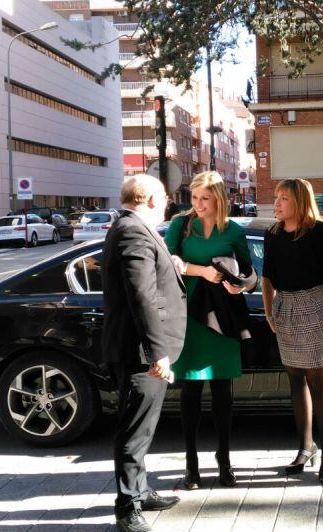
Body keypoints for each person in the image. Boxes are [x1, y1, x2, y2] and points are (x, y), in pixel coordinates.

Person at [102, 174, 187, 532]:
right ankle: (128, 507)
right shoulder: (133, 231)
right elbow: (142, 297)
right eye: (164, 196)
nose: (168, 201)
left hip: (142, 349)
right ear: (151, 198)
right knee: (135, 429)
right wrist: (158, 353)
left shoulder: (130, 228)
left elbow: (147, 279)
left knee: (144, 426)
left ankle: (140, 490)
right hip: (141, 352)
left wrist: (172, 265)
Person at [164, 171, 256, 490]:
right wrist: (201, 271)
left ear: (218, 198)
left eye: (205, 198)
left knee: (222, 394)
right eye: (194, 198)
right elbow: (168, 261)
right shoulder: (180, 224)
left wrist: (242, 286)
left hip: (222, 316)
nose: (198, 204)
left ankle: (225, 461)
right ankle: (191, 466)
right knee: (190, 392)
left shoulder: (232, 229)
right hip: (188, 315)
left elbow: (249, 272)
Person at [261, 178, 323, 484]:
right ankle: (305, 447)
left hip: (317, 306)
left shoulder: (321, 232)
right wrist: (269, 311)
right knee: (295, 379)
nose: (277, 203)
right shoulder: (271, 234)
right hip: (286, 308)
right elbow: (267, 278)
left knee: (317, 380)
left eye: (284, 198)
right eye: (277, 198)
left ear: (299, 201)